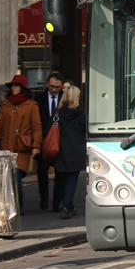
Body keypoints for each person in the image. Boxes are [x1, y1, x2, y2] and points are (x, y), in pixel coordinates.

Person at [0, 74, 43, 211]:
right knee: (8, 177)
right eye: (12, 85)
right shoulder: (6, 105)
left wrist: (36, 145)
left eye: (16, 85)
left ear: (23, 88)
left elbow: (36, 126)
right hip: (7, 146)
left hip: (22, 148)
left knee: (15, 175)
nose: (13, 88)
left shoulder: (31, 105)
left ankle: (17, 205)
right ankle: (13, 205)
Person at [54, 85, 86, 219]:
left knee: (60, 178)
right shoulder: (82, 113)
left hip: (60, 149)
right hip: (76, 149)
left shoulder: (57, 114)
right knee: (72, 179)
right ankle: (67, 205)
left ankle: (60, 203)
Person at [37, 72, 65, 211]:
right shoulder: (39, 99)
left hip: (59, 140)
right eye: (52, 86)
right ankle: (44, 198)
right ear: (47, 84)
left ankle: (57, 201)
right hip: (42, 139)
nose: (54, 89)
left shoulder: (65, 100)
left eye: (57, 87)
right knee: (42, 170)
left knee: (60, 172)